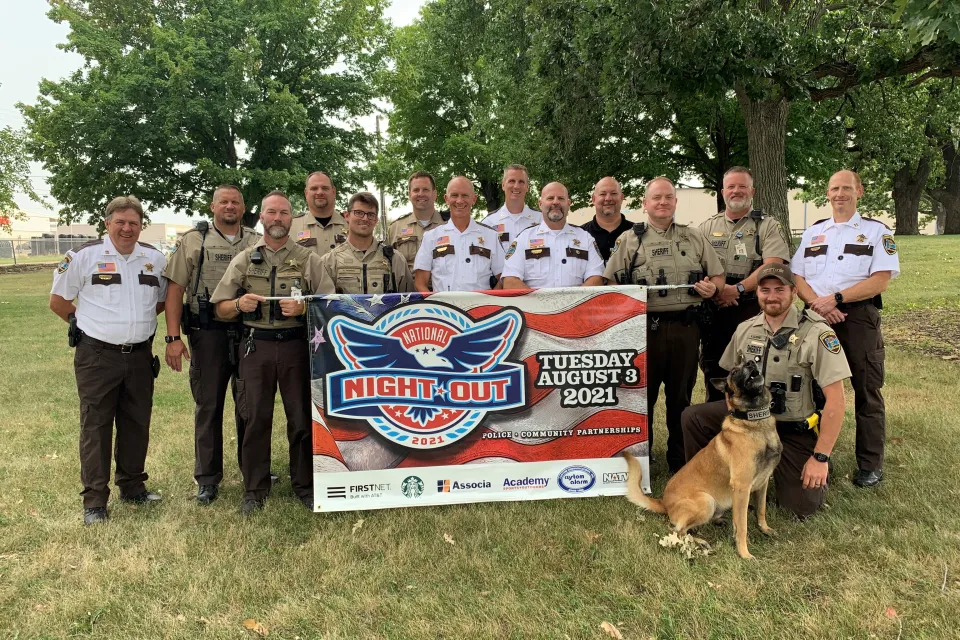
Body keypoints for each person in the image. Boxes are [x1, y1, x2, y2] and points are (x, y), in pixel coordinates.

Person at [681, 264, 850, 519]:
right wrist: (736, 425)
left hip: (791, 428)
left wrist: (821, 457)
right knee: (694, 417)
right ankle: (709, 482)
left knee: (799, 508)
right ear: (757, 292)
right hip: (751, 427)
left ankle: (811, 461)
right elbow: (730, 380)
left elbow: (836, 399)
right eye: (765, 290)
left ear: (794, 292)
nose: (772, 296)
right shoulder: (746, 329)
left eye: (779, 290)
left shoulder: (817, 332)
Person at [211, 191, 335, 514]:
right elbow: (220, 308)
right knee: (254, 418)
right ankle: (254, 489)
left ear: (292, 218)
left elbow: (330, 306)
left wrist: (304, 308)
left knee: (301, 419)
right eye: (271, 212)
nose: (277, 218)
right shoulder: (245, 259)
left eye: (283, 212)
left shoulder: (309, 260)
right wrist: (239, 304)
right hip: (256, 347)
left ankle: (305, 485)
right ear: (262, 217)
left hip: (296, 347)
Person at [49, 195, 167, 525]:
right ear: (107, 224)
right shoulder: (82, 256)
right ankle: (95, 501)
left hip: (140, 355)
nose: (127, 228)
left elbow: (159, 302)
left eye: (134, 223)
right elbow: (58, 301)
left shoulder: (155, 259)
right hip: (97, 356)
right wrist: (88, 325)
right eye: (120, 222)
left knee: (136, 422)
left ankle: (132, 486)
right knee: (96, 426)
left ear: (141, 225)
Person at [604, 177, 725, 473]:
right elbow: (610, 284)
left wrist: (713, 288)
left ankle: (679, 461)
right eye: (656, 197)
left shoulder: (694, 237)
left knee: (680, 398)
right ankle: (641, 460)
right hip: (646, 330)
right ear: (645, 204)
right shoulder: (629, 240)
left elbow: (718, 276)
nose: (663, 202)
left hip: (686, 329)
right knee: (642, 398)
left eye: (668, 197)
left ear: (675, 202)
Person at [791, 169, 900, 488]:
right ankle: (815, 456)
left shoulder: (877, 232)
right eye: (834, 188)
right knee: (812, 390)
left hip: (858, 319)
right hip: (817, 318)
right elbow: (798, 276)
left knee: (867, 391)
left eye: (846, 188)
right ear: (827, 193)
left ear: (859, 192)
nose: (839, 194)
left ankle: (869, 464)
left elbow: (881, 280)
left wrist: (836, 299)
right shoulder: (814, 233)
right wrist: (818, 305)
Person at [161, 184, 260, 505]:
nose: (230, 207)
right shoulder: (194, 240)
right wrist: (173, 337)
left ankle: (253, 469)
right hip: (207, 333)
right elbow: (175, 289)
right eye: (224, 202)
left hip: (248, 331)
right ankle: (207, 478)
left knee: (249, 404)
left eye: (236, 202)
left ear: (243, 208)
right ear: (212, 207)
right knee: (209, 405)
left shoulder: (255, 241)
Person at [698, 167, 790, 402]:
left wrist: (737, 289)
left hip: (751, 307)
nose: (736, 191)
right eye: (731, 187)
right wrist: (718, 291)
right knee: (715, 367)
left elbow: (773, 265)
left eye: (742, 186)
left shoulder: (767, 225)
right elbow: (696, 265)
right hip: (716, 307)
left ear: (752, 191)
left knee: (754, 367)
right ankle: (717, 416)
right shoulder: (707, 227)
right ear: (723, 192)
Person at [500, 181, 605, 289]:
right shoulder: (523, 239)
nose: (555, 202)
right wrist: (539, 300)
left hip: (578, 300)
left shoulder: (585, 238)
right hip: (534, 300)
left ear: (568, 204)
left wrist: (573, 300)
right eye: (550, 198)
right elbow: (510, 281)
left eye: (561, 198)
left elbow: (596, 278)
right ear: (540, 204)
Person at [413, 176, 504, 292]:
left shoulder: (491, 236)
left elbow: (503, 277)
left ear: (474, 199)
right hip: (443, 304)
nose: (459, 201)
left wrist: (490, 300)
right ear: (446, 199)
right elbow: (420, 283)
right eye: (454, 195)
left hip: (481, 303)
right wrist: (434, 303)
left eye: (465, 195)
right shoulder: (431, 237)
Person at [321, 192, 415, 294]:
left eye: (370, 215)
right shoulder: (330, 261)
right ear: (347, 216)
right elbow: (321, 301)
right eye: (359, 213)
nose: (365, 218)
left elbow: (408, 300)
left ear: (376, 220)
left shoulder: (395, 260)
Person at [388, 171, 448, 270]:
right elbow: (386, 264)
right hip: (408, 280)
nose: (421, 194)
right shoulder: (395, 228)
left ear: (434, 194)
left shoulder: (449, 225)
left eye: (425, 190)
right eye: (416, 190)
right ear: (409, 195)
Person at [479, 164, 542, 253]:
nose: (516, 186)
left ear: (527, 187)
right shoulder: (489, 223)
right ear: (503, 185)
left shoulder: (541, 220)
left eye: (521, 182)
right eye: (512, 181)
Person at [289, 171, 347, 257]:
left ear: (334, 192)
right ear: (306, 193)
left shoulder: (350, 224)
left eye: (325, 188)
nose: (319, 192)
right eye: (314, 188)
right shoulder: (290, 226)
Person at [579, 176, 634, 262]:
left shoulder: (637, 233)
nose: (608, 198)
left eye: (614, 193)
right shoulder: (581, 235)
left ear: (621, 197)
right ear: (593, 199)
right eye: (603, 194)